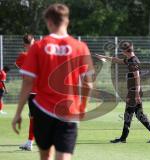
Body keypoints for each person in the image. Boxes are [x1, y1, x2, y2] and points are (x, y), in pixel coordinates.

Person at [12, 3, 93, 160]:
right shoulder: (80, 47)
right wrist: (83, 107)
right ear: (67, 21)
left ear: (48, 22)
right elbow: (88, 84)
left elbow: (27, 82)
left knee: (45, 156)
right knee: (63, 157)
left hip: (43, 110)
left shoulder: (38, 47)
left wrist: (18, 113)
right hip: (68, 111)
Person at [96, 41, 150, 143]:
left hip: (134, 91)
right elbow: (118, 60)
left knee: (128, 114)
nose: (121, 52)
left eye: (122, 50)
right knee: (139, 114)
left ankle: (123, 138)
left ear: (126, 51)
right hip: (134, 91)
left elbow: (137, 76)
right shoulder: (130, 59)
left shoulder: (133, 61)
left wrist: (136, 93)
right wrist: (103, 57)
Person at [15, 34, 35, 151]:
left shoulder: (23, 55)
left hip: (32, 91)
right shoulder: (41, 54)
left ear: (24, 44)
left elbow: (19, 65)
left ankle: (30, 142)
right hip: (43, 90)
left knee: (33, 117)